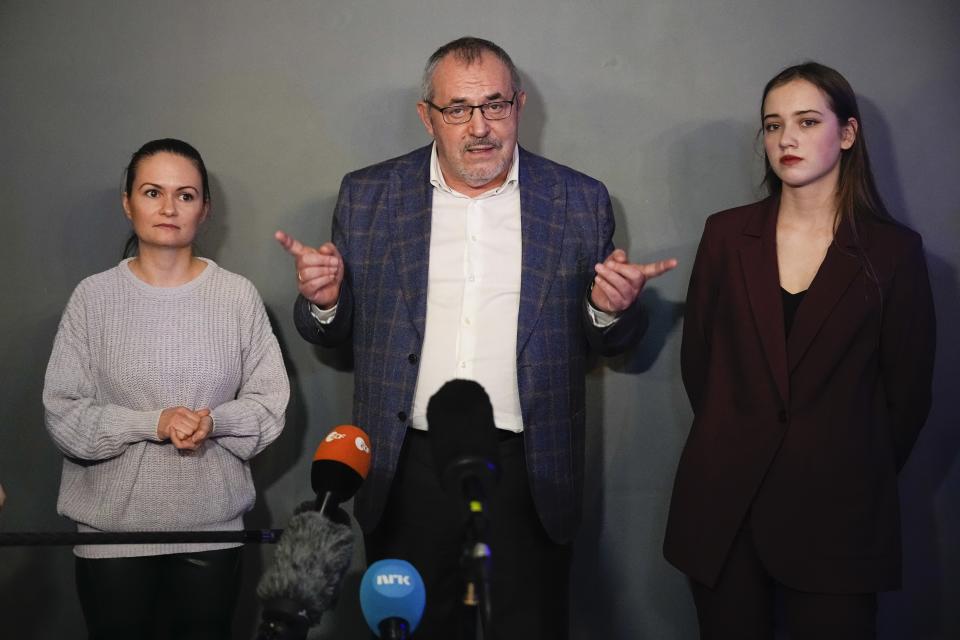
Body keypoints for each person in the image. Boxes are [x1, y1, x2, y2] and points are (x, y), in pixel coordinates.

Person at [277, 37, 676, 639]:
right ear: (427, 116)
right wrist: (325, 300)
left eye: (495, 105)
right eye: (458, 110)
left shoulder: (577, 199)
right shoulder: (368, 196)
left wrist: (608, 310)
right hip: (406, 465)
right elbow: (333, 333)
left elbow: (612, 340)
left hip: (528, 469)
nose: (480, 127)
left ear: (518, 105)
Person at [664, 62, 936, 639]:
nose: (785, 138)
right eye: (772, 125)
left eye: (807, 121)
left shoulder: (892, 253)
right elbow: (701, 366)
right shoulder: (726, 236)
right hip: (723, 515)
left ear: (847, 134)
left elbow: (907, 396)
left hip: (840, 520)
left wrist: (843, 470)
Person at [43, 138, 289, 640]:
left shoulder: (237, 297)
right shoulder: (93, 298)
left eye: (186, 195)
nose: (169, 208)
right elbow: (63, 412)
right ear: (127, 201)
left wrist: (215, 422)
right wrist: (151, 423)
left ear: (205, 210)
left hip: (211, 531)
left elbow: (269, 404)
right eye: (153, 192)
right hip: (111, 538)